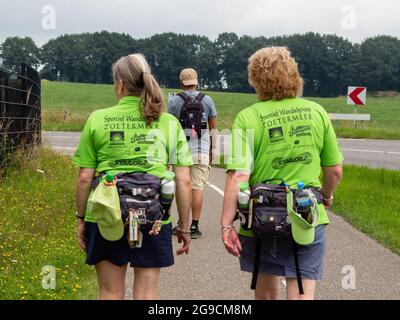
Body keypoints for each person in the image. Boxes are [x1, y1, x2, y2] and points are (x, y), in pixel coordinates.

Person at [221, 47, 343, 300]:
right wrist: (327, 195)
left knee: (265, 292)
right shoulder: (316, 111)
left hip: (262, 218)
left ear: (256, 80)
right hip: (307, 215)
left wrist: (225, 225)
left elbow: (238, 176)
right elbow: (334, 170)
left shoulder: (248, 117)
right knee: (301, 293)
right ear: (294, 76)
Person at [73, 54, 193, 300]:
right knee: (147, 294)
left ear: (120, 85)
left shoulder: (98, 118)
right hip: (154, 214)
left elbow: (85, 178)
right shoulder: (169, 122)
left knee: (109, 292)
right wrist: (183, 225)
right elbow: (184, 180)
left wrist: (81, 219)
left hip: (107, 212)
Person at [168, 68, 218, 239]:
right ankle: (195, 226)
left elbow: (170, 129)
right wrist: (213, 148)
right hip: (201, 150)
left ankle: (182, 224)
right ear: (197, 81)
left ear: (182, 82)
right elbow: (213, 127)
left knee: (182, 187)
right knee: (197, 187)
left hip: (181, 151)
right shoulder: (208, 100)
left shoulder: (174, 101)